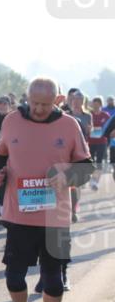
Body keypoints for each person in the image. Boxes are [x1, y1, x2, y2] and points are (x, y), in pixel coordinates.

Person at [0, 77, 92, 302]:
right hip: (19, 215)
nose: (38, 109)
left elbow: (85, 167)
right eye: (34, 103)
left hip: (55, 218)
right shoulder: (11, 121)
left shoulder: (69, 125)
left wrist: (67, 176)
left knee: (53, 280)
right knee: (13, 277)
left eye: (45, 105)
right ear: (27, 98)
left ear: (57, 101)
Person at [67, 90, 92, 222]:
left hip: (82, 150)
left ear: (83, 101)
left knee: (76, 183)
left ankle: (73, 209)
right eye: (75, 99)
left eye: (79, 99)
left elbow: (88, 132)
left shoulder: (87, 115)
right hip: (67, 151)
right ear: (71, 101)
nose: (77, 102)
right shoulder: (66, 115)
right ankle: (69, 209)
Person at [88, 97, 111, 189]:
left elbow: (110, 127)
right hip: (91, 142)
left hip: (102, 142)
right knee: (91, 161)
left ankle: (95, 181)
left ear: (101, 105)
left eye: (97, 105)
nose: (95, 106)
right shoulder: (89, 115)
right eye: (94, 105)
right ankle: (91, 178)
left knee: (99, 162)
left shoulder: (105, 115)